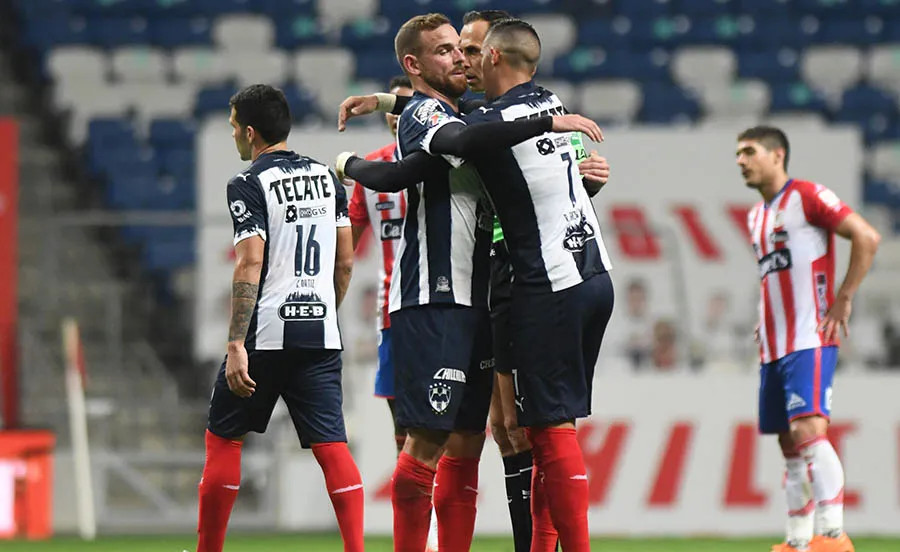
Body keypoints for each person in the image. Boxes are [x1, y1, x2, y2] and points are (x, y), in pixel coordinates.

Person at [338, 19, 614, 552]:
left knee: (471, 443)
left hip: (481, 295)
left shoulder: (478, 112)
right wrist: (346, 160)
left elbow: (477, 127)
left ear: (492, 58)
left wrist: (377, 101)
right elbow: (432, 151)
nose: (460, 60)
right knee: (427, 446)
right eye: (447, 51)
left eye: (465, 50)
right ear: (415, 66)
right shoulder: (437, 114)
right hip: (435, 297)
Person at [196, 84, 363, 552]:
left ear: (249, 133)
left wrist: (235, 344)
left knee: (224, 439)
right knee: (332, 448)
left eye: (233, 127)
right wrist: (326, 309)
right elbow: (345, 261)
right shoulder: (329, 179)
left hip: (265, 334)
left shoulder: (247, 184)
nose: (233, 135)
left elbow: (250, 263)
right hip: (321, 333)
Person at [737, 126, 881, 552]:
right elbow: (775, 275)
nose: (741, 161)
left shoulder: (809, 196)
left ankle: (833, 535)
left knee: (808, 430)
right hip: (773, 345)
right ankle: (797, 542)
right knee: (789, 443)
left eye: (749, 152)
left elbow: (866, 236)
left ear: (777, 155)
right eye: (738, 155)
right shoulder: (755, 216)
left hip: (808, 336)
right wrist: (763, 320)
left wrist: (844, 298)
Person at [346, 75, 440, 552]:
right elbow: (348, 248)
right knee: (418, 436)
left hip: (406, 316)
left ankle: (424, 535)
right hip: (417, 314)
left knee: (414, 434)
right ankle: (424, 536)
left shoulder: (370, 170)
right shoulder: (444, 158)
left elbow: (346, 252)